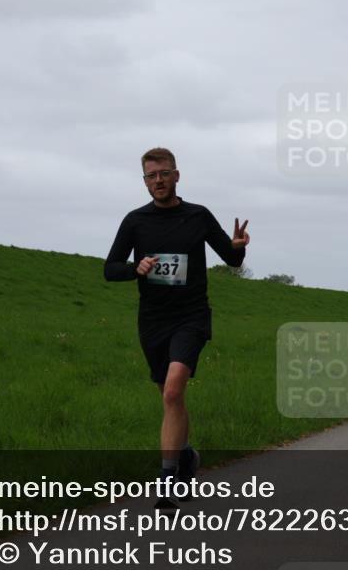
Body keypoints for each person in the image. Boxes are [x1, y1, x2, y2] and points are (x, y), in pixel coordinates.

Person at [104, 147, 250, 508]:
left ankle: (167, 480)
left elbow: (230, 259)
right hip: (152, 320)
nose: (158, 181)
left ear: (177, 176)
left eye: (164, 174)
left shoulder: (197, 216)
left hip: (191, 316)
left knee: (172, 392)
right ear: (145, 181)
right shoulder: (135, 221)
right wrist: (135, 268)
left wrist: (238, 247)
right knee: (170, 397)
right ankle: (186, 455)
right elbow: (110, 268)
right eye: (151, 176)